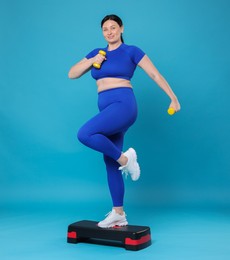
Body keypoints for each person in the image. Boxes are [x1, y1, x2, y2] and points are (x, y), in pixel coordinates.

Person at [68, 14, 181, 228]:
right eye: (105, 29)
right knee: (110, 162)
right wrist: (93, 61)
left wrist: (173, 97)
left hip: (124, 105)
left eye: (113, 27)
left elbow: (154, 74)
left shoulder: (132, 51)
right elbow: (72, 73)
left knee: (85, 134)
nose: (109, 32)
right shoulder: (96, 54)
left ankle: (127, 160)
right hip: (107, 107)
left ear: (121, 29)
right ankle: (118, 213)